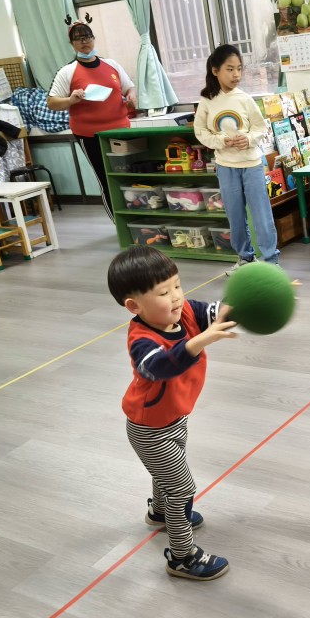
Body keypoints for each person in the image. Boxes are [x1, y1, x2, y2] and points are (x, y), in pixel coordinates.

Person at [107, 245, 237, 580]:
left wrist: (254, 300)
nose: (177, 297)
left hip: (175, 417)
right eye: (164, 293)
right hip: (149, 429)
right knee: (182, 488)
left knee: (164, 474)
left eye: (177, 285)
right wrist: (200, 341)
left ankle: (160, 513)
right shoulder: (141, 338)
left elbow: (218, 312)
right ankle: (182, 557)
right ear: (134, 306)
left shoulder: (185, 312)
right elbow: (159, 367)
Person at [194, 44, 280, 274]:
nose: (236, 74)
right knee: (235, 216)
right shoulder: (207, 100)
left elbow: (261, 127)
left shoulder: (245, 99)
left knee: (262, 215)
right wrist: (221, 141)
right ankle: (245, 258)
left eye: (239, 69)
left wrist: (248, 139)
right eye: (230, 69)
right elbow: (200, 132)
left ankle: (271, 260)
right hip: (225, 167)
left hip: (251, 165)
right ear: (215, 71)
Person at [48, 14, 137, 218]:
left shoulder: (111, 65)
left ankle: (135, 219)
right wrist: (71, 100)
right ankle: (119, 224)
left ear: (93, 39)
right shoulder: (67, 71)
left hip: (121, 131)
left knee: (129, 175)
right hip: (90, 135)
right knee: (106, 178)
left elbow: (129, 88)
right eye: (79, 38)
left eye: (87, 37)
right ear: (72, 43)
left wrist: (131, 96)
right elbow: (52, 102)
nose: (84, 41)